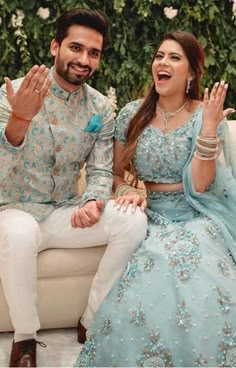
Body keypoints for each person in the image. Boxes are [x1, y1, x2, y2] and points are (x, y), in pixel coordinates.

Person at [75, 30, 236, 367]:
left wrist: (207, 131)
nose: (162, 62)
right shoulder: (133, 114)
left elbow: (201, 184)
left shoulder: (202, 115)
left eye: (174, 58)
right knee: (153, 266)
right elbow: (116, 173)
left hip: (196, 213)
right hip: (152, 216)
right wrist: (127, 191)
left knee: (199, 271)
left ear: (191, 73)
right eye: (159, 55)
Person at [0, 8, 147, 367]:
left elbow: (101, 168)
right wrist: (20, 118)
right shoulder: (13, 94)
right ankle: (25, 340)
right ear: (55, 46)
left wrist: (95, 201)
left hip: (64, 212)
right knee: (18, 234)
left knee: (132, 221)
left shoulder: (100, 107)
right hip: (14, 210)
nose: (84, 60)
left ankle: (91, 319)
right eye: (76, 48)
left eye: (93, 53)